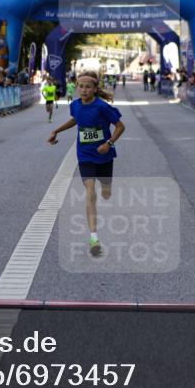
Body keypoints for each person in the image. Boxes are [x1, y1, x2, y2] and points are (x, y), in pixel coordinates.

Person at [47, 70, 125, 257]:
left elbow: (120, 126)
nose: (83, 90)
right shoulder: (75, 105)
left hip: (104, 155)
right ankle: (93, 237)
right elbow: (76, 120)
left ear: (95, 88)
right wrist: (56, 131)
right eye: (80, 86)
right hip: (85, 155)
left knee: (105, 192)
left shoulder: (102, 107)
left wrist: (109, 143)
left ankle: (106, 187)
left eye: (88, 86)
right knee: (90, 191)